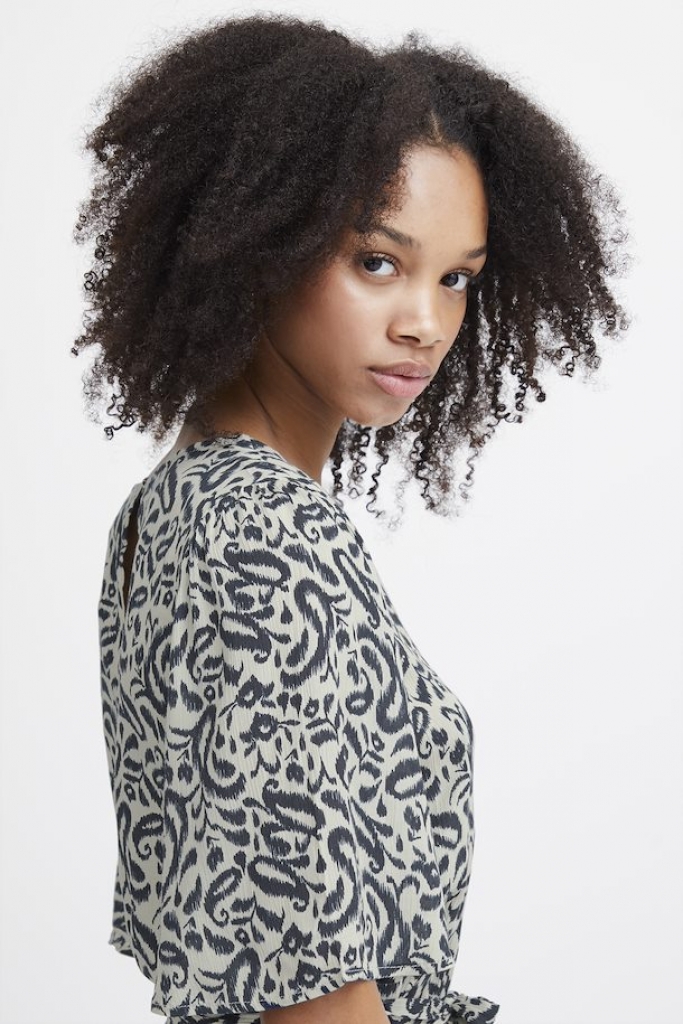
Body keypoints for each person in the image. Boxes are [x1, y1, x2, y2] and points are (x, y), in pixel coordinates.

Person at [73, 13, 629, 1024]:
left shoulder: (176, 505)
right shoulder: (259, 531)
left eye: (455, 279)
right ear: (261, 239)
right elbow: (306, 971)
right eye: (377, 261)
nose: (425, 322)